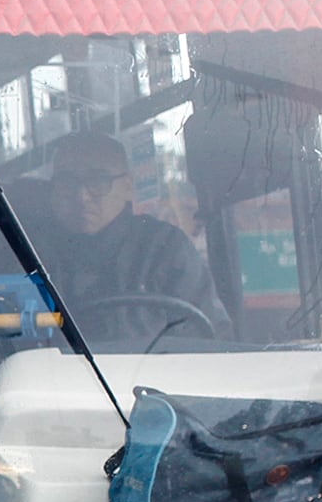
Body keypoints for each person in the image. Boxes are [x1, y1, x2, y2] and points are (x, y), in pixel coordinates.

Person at [39, 132, 231, 344]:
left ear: (128, 187)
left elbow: (210, 337)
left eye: (99, 180)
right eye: (67, 181)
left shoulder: (166, 249)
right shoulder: (29, 253)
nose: (82, 196)